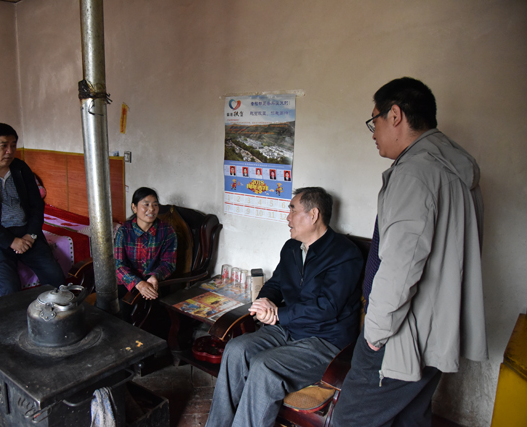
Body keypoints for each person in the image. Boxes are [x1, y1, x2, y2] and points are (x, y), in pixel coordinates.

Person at [332, 77, 487, 426]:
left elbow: (401, 266)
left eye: (374, 121)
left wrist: (375, 335)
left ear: (395, 115)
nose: (373, 133)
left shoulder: (415, 173)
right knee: (409, 417)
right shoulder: (456, 167)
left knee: (350, 420)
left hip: (402, 333)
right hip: (440, 328)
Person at [206, 187, 363, 427]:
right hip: (287, 329)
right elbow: (276, 284)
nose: (287, 217)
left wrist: (279, 314)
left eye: (292, 210)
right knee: (236, 350)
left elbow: (327, 307)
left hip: (324, 339)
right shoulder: (291, 247)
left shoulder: (344, 254)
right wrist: (264, 302)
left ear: (313, 215)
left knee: (264, 367)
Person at [0, 123, 66, 296]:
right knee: (10, 291)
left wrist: (31, 235)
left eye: (13, 145)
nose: (9, 151)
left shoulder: (21, 169)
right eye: (3, 145)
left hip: (26, 233)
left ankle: (54, 313)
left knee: (56, 280)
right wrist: (10, 241)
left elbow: (37, 205)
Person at [114, 187, 177, 305]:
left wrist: (154, 276)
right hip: (127, 283)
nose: (151, 209)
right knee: (118, 305)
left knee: (150, 307)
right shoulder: (124, 231)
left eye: (155, 205)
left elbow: (168, 263)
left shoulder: (167, 231)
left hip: (155, 284)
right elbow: (118, 265)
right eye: (146, 204)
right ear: (134, 207)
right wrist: (138, 283)